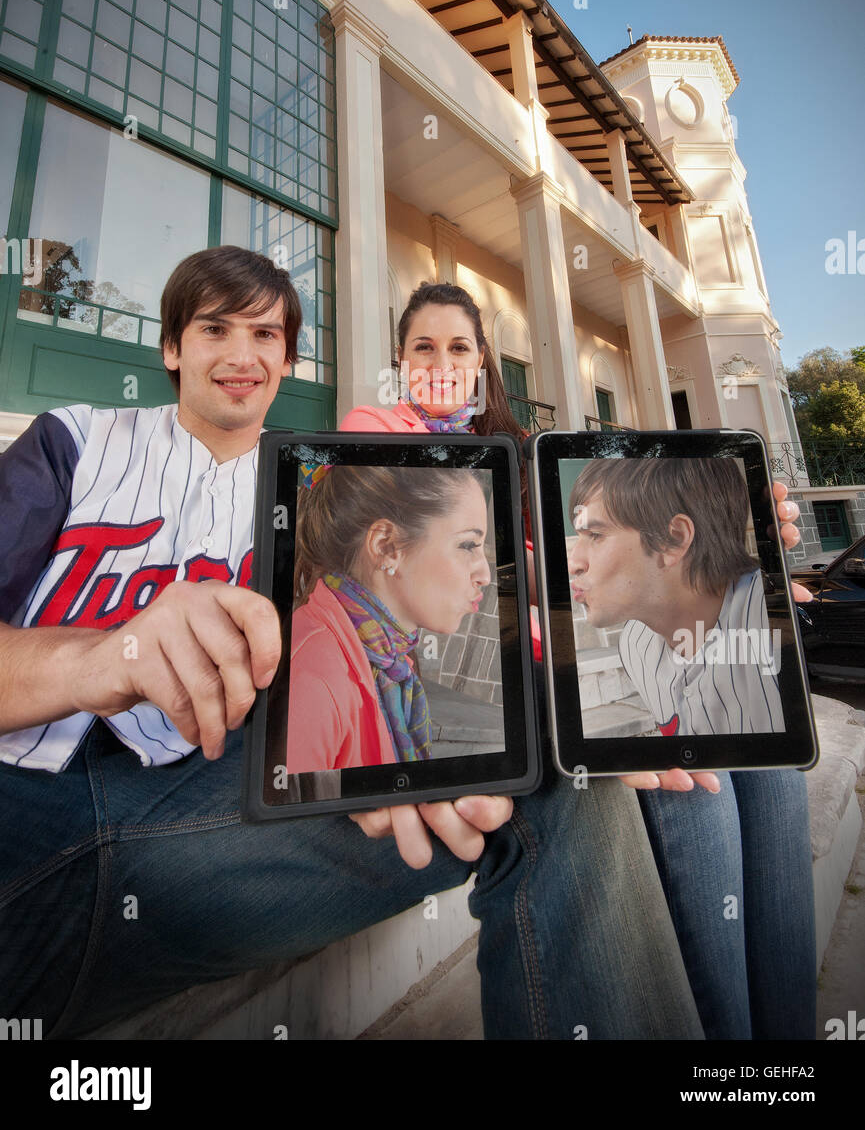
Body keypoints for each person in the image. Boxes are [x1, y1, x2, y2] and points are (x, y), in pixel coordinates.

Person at [0, 246, 705, 1041]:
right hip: (23, 798)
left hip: (208, 811)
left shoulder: (320, 486)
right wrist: (99, 657)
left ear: (288, 357)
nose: (241, 355)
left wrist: (715, 551)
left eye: (265, 335)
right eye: (214, 329)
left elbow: (394, 641)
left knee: (568, 766)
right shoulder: (76, 442)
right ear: (171, 347)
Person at [341, 279, 816, 1041]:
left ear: (482, 361)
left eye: (457, 346)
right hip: (482, 668)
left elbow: (563, 566)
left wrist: (731, 542)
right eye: (421, 347)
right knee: (695, 792)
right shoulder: (373, 429)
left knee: (770, 773)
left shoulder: (524, 451)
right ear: (399, 361)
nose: (439, 362)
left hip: (560, 642)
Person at [285, 465, 491, 771]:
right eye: (467, 545)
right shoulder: (312, 681)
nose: (485, 575)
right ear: (386, 546)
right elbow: (296, 817)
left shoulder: (388, 660)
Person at [566, 456, 784, 735]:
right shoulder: (636, 644)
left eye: (595, 534)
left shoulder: (770, 620)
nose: (574, 562)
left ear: (674, 539)